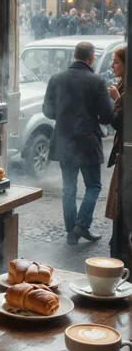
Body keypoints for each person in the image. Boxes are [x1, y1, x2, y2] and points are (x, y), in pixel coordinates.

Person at [43, 41, 114, 245]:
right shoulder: (96, 81)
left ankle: (71, 232)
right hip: (88, 142)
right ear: (91, 58)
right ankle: (81, 226)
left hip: (65, 142)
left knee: (69, 189)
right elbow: (107, 116)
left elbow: (47, 111)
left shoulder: (56, 79)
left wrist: (64, 115)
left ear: (75, 56)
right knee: (93, 186)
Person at [105, 46, 126, 257]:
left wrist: (117, 99)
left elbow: (122, 123)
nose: (112, 66)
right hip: (122, 157)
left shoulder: (125, 89)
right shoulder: (122, 85)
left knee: (121, 211)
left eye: (116, 62)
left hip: (126, 159)